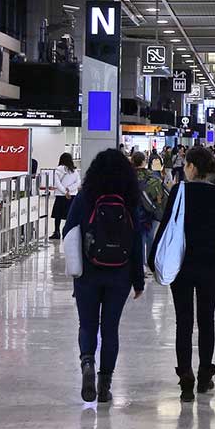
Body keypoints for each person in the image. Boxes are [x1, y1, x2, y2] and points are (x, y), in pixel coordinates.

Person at [150, 146, 215, 402]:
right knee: (206, 319)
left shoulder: (179, 191)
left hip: (182, 264)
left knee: (183, 321)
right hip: (209, 264)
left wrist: (152, 258)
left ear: (193, 168)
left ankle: (185, 377)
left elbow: (166, 225)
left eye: (186, 164)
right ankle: (205, 375)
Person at [63, 149, 145, 404]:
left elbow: (68, 231)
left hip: (87, 274)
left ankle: (87, 363)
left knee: (87, 325)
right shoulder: (129, 200)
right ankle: (104, 384)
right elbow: (136, 240)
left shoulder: (85, 197)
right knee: (110, 329)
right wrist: (138, 280)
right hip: (119, 275)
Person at [132, 151, 166, 261]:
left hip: (136, 211)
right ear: (144, 161)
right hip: (153, 210)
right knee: (150, 236)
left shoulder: (128, 176)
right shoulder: (153, 176)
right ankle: (150, 261)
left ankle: (141, 263)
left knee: (140, 237)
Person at [50, 153, 80, 239]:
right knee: (69, 214)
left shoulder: (58, 169)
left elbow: (57, 183)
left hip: (60, 195)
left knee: (58, 215)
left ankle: (57, 232)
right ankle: (67, 232)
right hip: (72, 195)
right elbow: (78, 182)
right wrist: (69, 190)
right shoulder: (74, 171)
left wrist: (64, 191)